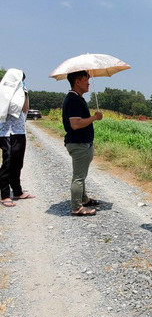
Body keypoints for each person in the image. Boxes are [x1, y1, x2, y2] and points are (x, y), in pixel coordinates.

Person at [63, 70, 103, 216]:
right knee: (79, 177)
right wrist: (94, 118)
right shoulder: (73, 99)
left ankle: (84, 199)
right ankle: (77, 207)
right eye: (86, 79)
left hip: (82, 143)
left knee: (81, 174)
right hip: (78, 144)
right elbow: (75, 124)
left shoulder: (77, 98)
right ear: (77, 81)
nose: (89, 83)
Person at [0, 69, 35, 207]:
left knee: (18, 163)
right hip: (6, 132)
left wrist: (25, 93)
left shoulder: (21, 93)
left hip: (19, 131)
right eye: (21, 80)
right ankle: (4, 195)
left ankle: (17, 191)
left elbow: (25, 109)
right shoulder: (3, 92)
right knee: (8, 163)